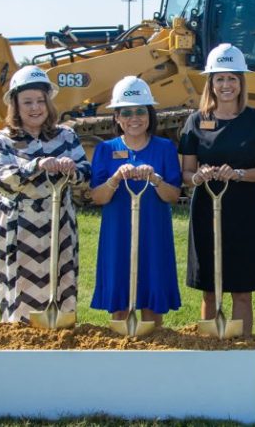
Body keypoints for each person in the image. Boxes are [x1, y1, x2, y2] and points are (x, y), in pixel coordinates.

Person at [179, 43, 255, 336]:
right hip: (206, 208)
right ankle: (211, 346)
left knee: (242, 289)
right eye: (219, 78)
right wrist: (199, 177)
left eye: (232, 78)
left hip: (244, 209)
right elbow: (186, 172)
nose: (226, 85)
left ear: (241, 82)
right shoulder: (195, 121)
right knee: (209, 289)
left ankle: (242, 346)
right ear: (210, 82)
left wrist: (238, 174)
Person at [0, 65, 91, 323]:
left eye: (40, 101)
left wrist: (71, 170)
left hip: (59, 224)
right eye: (27, 102)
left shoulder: (66, 136)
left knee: (61, 285)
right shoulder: (0, 139)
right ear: (15, 106)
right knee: (18, 295)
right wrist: (36, 165)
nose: (35, 108)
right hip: (18, 227)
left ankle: (60, 342)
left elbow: (87, 174)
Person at [90, 76, 182, 327]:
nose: (134, 118)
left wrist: (155, 178)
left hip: (153, 231)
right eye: (126, 112)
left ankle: (153, 352)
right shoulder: (106, 149)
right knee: (119, 302)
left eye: (141, 111)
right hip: (117, 232)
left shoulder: (164, 148)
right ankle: (120, 356)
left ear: (150, 115)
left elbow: (173, 196)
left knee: (152, 300)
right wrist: (115, 179)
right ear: (117, 117)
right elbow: (97, 197)